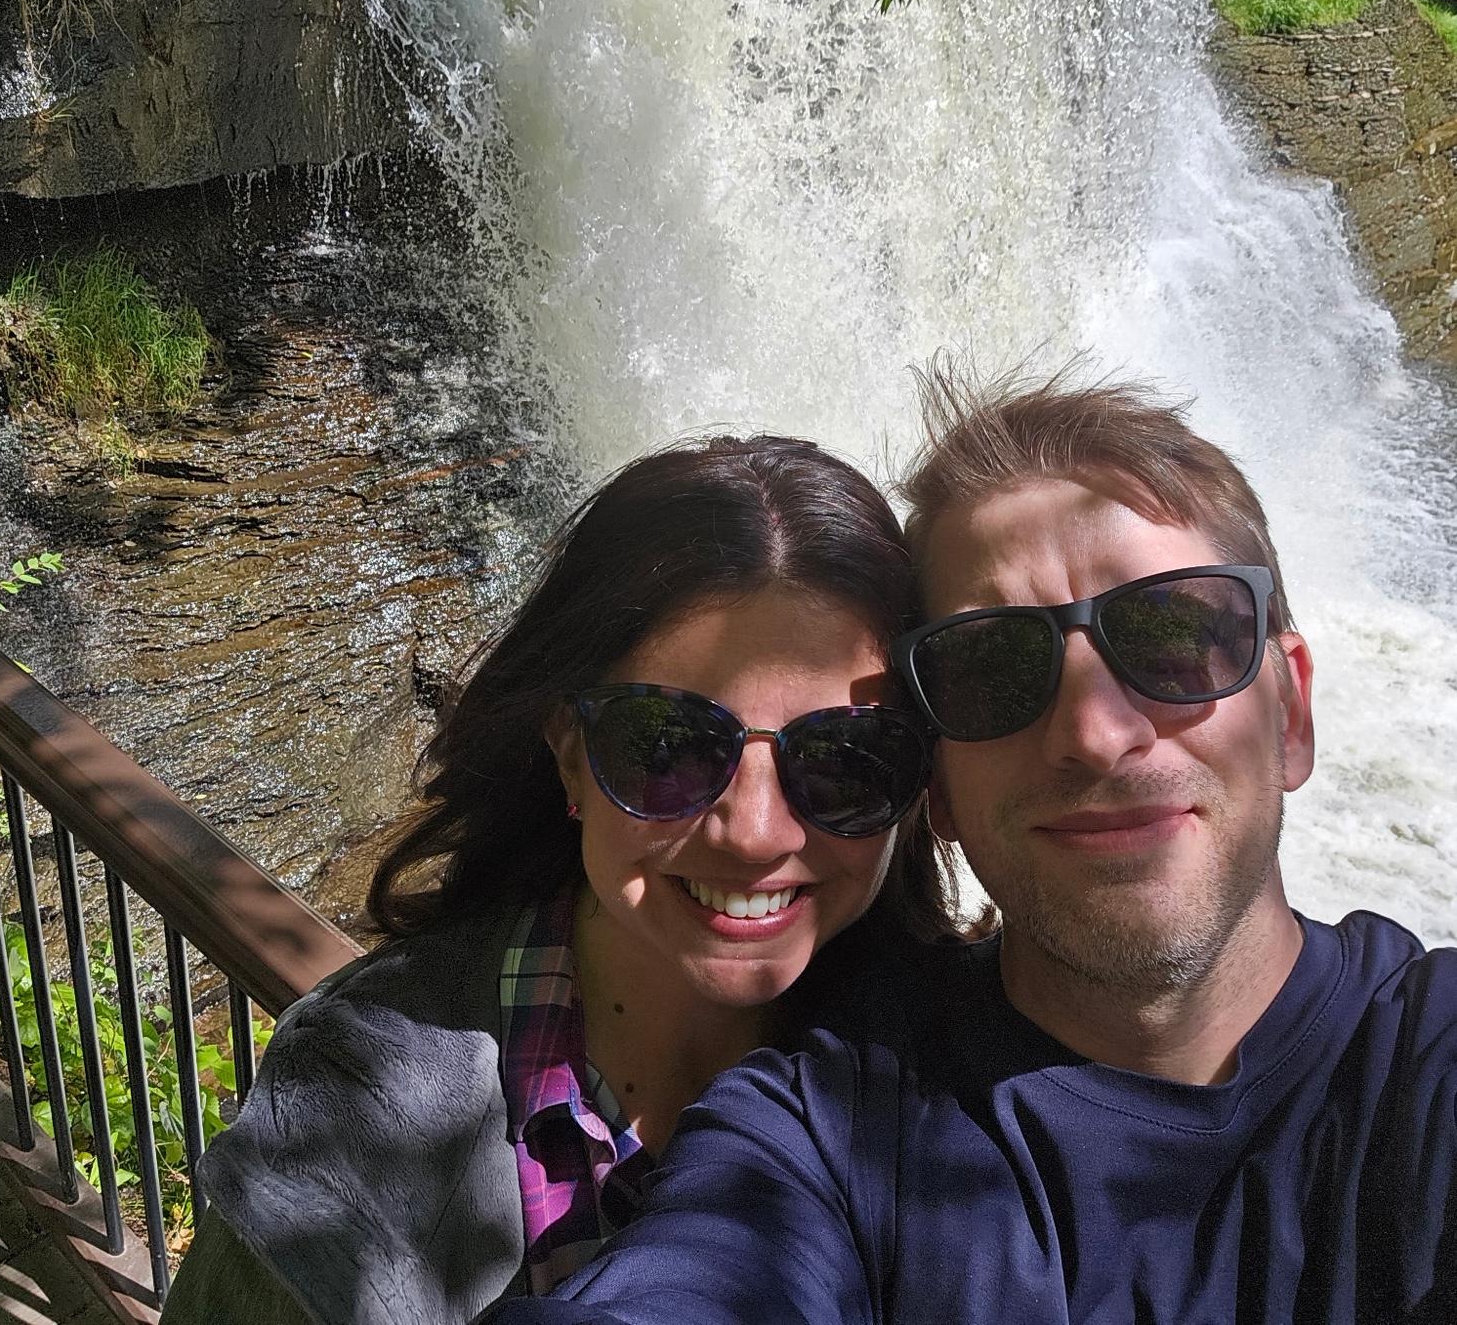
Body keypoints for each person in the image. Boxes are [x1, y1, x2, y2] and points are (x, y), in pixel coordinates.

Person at [488, 366, 1457, 1324]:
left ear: (1291, 712)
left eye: (1172, 638)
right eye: (992, 669)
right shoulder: (827, 1134)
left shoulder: (1430, 1060)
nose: (1094, 732)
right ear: (937, 786)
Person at [161, 433, 964, 1325]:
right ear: (571, 756)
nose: (756, 834)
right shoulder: (355, 1112)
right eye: (668, 748)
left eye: (847, 759)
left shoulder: (972, 1065)